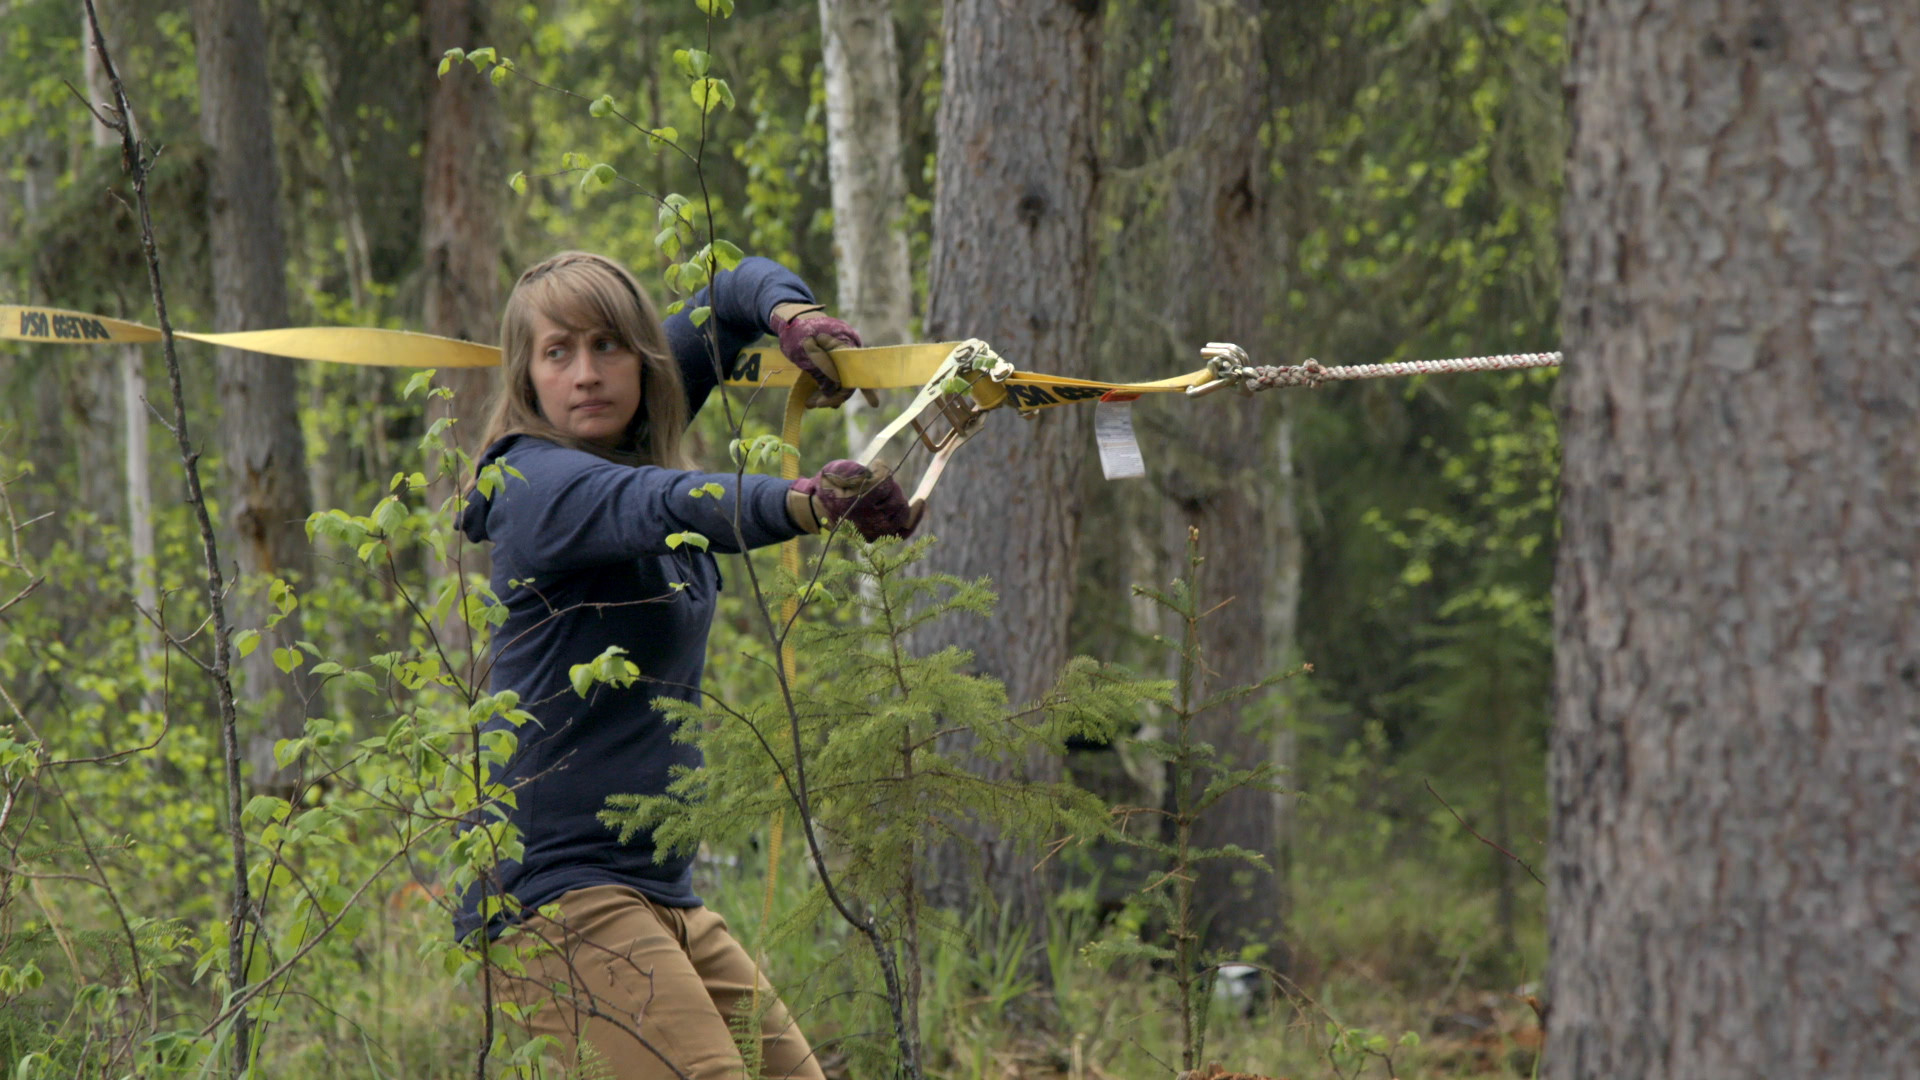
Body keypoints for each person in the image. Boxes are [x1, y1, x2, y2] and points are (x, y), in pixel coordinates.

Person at [456, 250, 914, 1079]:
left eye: (607, 345)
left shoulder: (632, 425)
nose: (586, 373)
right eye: (558, 352)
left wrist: (792, 317)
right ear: (527, 376)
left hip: (662, 894)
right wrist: (806, 502)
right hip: (554, 897)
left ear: (642, 357)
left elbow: (731, 292)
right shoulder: (533, 482)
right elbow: (664, 501)